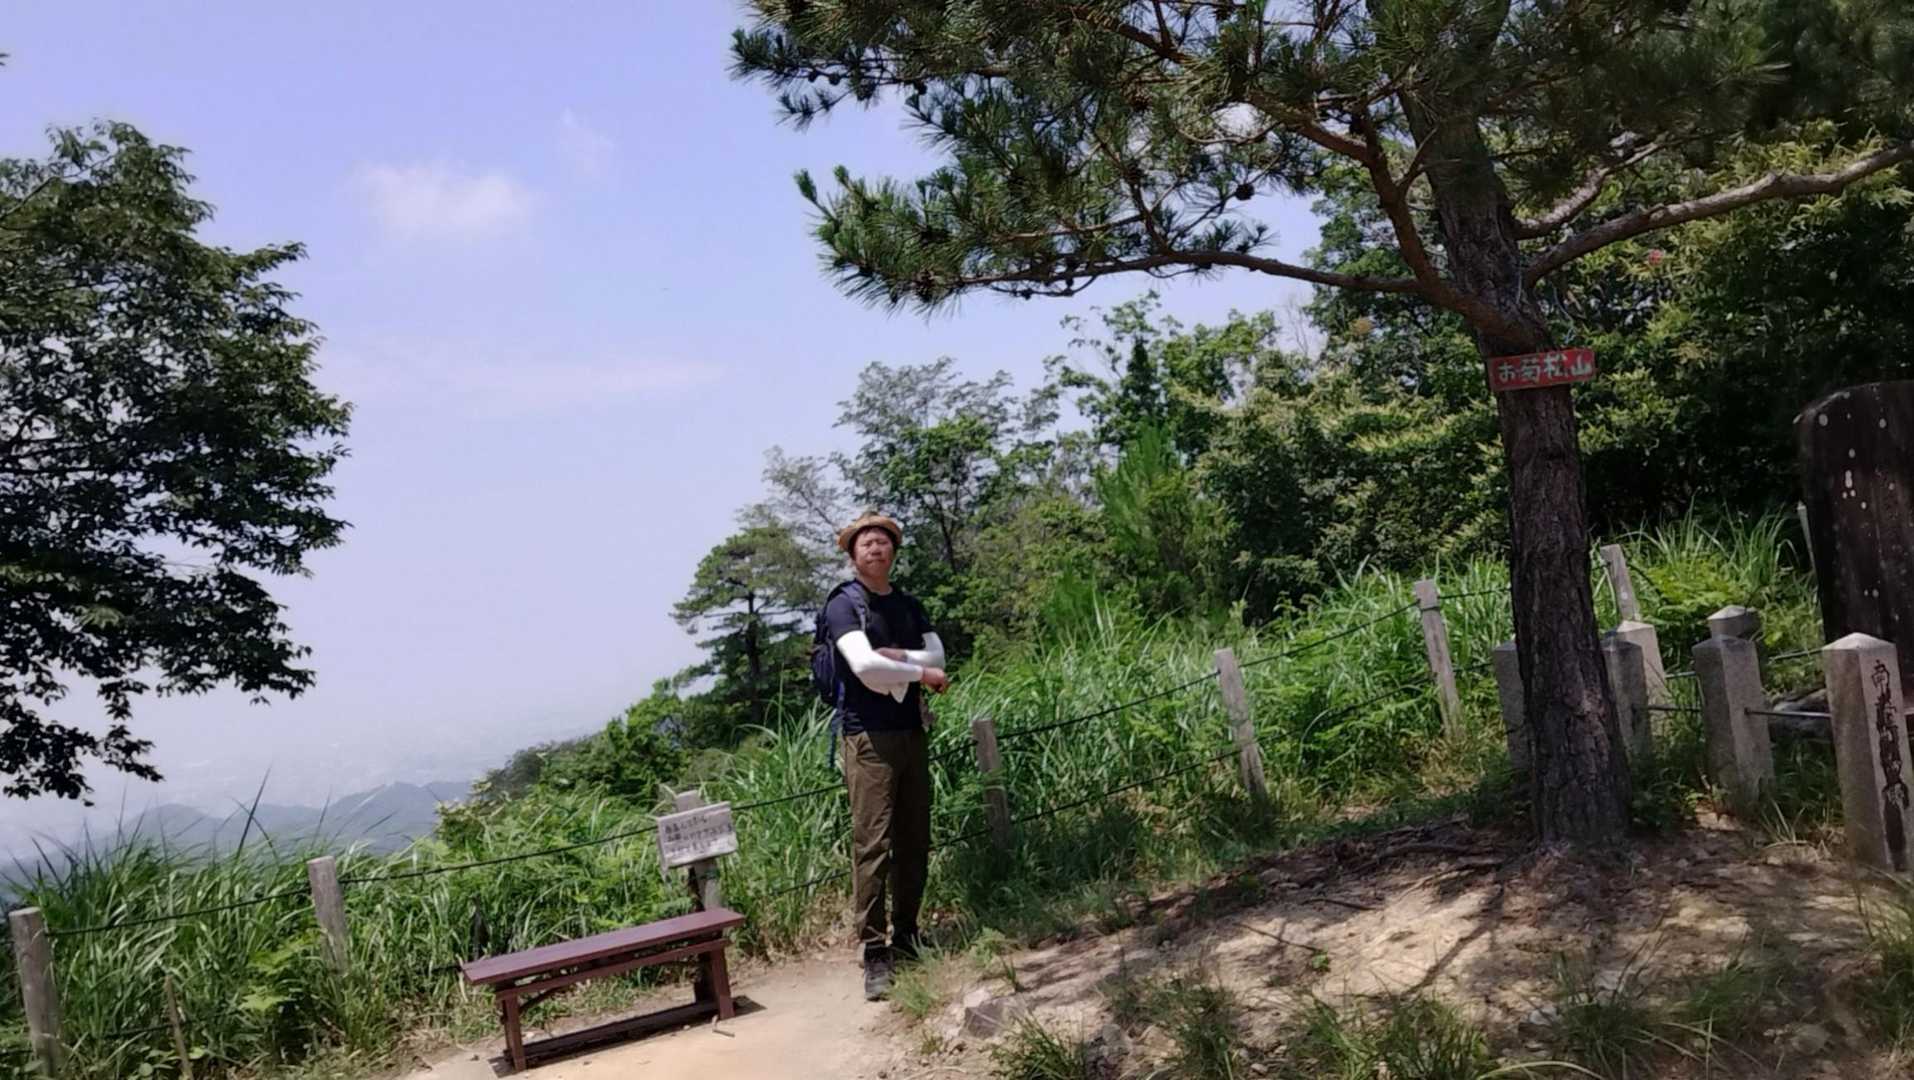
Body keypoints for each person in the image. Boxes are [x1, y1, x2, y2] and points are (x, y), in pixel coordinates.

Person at [822, 511, 949, 1001]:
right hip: (867, 737)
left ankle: (908, 935)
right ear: (852, 555)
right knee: (872, 844)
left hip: (911, 730)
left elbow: (938, 658)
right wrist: (919, 672)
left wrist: (898, 660)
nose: (875, 548)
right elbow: (863, 665)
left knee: (915, 838)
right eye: (866, 543)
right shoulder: (843, 604)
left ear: (893, 551)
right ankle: (874, 951)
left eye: (883, 541)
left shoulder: (909, 605)